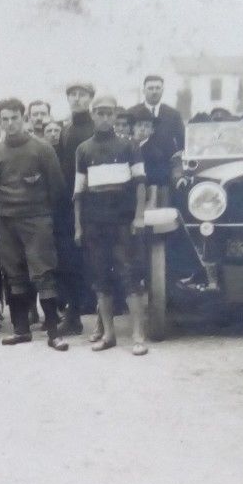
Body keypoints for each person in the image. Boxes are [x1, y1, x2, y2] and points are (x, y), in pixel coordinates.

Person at [0, 96, 67, 348]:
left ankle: (54, 334)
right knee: (14, 275)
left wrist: (41, 212)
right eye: (5, 119)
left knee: (44, 273)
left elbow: (57, 186)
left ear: (24, 119)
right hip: (7, 221)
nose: (10, 123)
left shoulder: (42, 148)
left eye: (14, 118)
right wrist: (6, 210)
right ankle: (21, 329)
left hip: (37, 219)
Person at [73, 93, 149, 357]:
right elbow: (78, 192)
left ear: (115, 115)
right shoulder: (83, 150)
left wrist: (139, 216)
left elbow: (141, 184)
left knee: (130, 277)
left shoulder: (129, 146)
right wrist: (78, 227)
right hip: (95, 223)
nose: (105, 118)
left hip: (123, 223)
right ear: (92, 115)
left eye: (109, 113)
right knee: (101, 278)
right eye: (100, 113)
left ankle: (138, 335)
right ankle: (108, 335)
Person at [126, 75, 185, 166]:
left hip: (166, 166)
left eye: (158, 88)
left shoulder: (173, 114)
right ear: (143, 91)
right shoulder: (131, 112)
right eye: (150, 88)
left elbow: (182, 142)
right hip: (138, 164)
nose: (154, 91)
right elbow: (126, 139)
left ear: (162, 90)